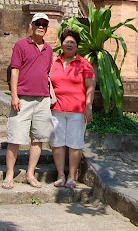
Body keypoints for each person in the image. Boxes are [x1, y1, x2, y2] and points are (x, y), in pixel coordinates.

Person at [2, 13, 54, 189]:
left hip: (42, 98)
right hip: (23, 97)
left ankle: (30, 173)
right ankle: (10, 173)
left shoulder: (49, 50)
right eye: (38, 23)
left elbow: (47, 73)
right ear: (31, 25)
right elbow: (14, 71)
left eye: (44, 24)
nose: (41, 27)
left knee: (38, 138)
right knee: (15, 137)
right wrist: (14, 96)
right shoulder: (21, 45)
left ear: (47, 28)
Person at [50, 28, 95, 189]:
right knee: (57, 143)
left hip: (77, 110)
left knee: (75, 143)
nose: (69, 45)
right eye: (66, 42)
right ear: (61, 44)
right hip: (56, 109)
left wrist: (88, 106)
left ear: (77, 46)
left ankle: (71, 176)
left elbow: (90, 86)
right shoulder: (54, 62)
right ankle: (60, 175)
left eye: (72, 42)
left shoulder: (84, 64)